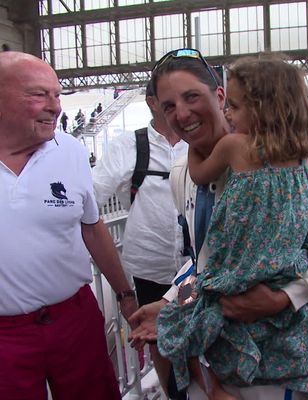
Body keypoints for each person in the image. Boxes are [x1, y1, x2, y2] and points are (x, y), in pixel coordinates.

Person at [128, 49, 308, 400]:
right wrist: (173, 300)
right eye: (168, 106)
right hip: (221, 353)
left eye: (191, 97)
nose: (182, 113)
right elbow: (205, 263)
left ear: (220, 97)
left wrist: (284, 297)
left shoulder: (290, 164)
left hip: (282, 358)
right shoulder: (182, 176)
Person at [0, 51, 138, 399]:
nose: (56, 106)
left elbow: (92, 227)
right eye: (38, 94)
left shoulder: (71, 152)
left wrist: (124, 294)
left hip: (74, 321)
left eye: (57, 94)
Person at [92, 81, 189, 397]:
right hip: (151, 268)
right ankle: (171, 393)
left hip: (195, 270)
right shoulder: (127, 146)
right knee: (160, 341)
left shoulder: (201, 143)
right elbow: (89, 201)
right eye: (170, 101)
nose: (181, 109)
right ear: (151, 102)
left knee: (202, 340)